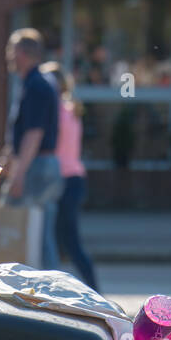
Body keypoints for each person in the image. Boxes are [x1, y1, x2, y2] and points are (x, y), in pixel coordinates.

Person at [2, 28, 63, 270]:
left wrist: (19, 173)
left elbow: (34, 133)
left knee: (14, 229)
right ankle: (52, 286)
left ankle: (36, 284)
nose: (8, 56)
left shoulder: (36, 85)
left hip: (35, 167)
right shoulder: (37, 83)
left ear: (21, 53)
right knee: (40, 234)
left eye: (11, 50)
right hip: (43, 165)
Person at [40, 61, 98, 290]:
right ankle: (92, 288)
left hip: (61, 180)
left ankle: (94, 291)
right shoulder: (71, 109)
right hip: (74, 178)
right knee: (66, 241)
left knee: (63, 241)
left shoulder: (56, 113)